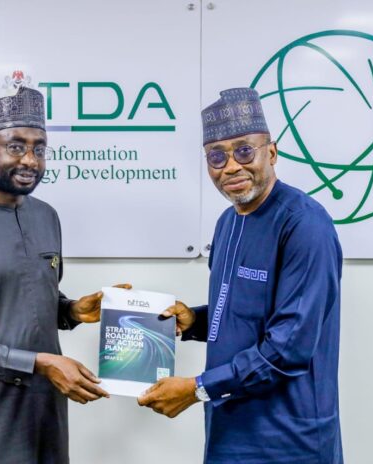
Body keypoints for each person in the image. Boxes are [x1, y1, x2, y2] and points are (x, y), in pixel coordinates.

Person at [0, 84, 127, 464]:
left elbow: (24, 299)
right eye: (16, 147)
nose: (30, 160)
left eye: (39, 149)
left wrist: (72, 310)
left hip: (43, 417)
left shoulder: (45, 217)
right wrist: (39, 363)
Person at [138, 87, 343, 463]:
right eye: (217, 156)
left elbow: (287, 348)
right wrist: (194, 320)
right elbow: (241, 314)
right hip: (227, 432)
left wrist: (197, 388)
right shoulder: (228, 222)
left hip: (288, 441)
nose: (231, 167)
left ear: (272, 152)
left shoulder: (304, 224)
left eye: (244, 151)